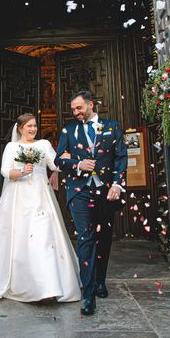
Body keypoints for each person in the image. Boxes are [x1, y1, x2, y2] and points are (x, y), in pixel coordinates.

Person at [0, 113, 81, 303]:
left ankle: (48, 286)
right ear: (20, 128)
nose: (33, 129)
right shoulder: (12, 147)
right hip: (18, 196)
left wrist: (66, 159)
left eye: (35, 126)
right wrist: (21, 172)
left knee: (43, 235)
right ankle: (26, 283)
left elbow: (55, 165)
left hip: (41, 196)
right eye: (29, 126)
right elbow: (4, 170)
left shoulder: (43, 144)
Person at [55, 90, 127, 315]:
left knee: (104, 237)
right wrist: (77, 165)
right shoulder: (69, 130)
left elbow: (120, 157)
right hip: (79, 192)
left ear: (90, 105)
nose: (76, 113)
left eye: (79, 108)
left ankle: (100, 281)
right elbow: (58, 159)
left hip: (106, 191)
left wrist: (117, 184)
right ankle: (88, 295)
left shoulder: (112, 126)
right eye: (73, 110)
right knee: (85, 238)